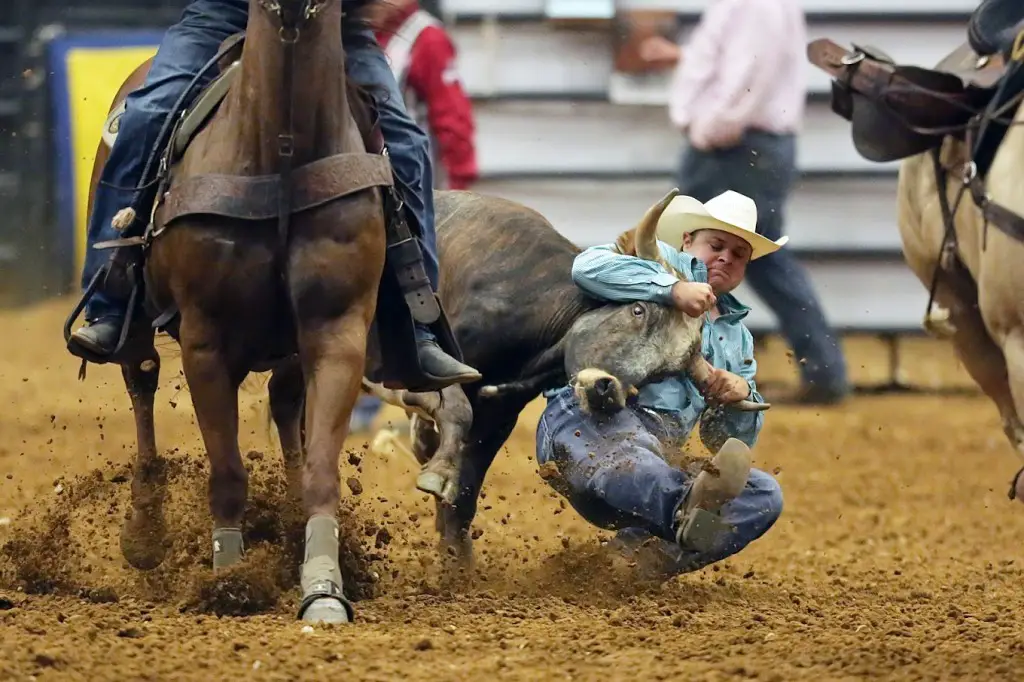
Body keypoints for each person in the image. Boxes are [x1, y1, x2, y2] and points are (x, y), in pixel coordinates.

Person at [68, 0, 481, 388]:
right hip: (225, 14)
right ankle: (110, 299)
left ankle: (418, 324)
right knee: (144, 117)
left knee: (407, 144)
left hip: (331, 24)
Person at [536, 190, 783, 578]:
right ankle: (685, 511)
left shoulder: (738, 340)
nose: (726, 258)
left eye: (739, 255)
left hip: (656, 458)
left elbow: (727, 445)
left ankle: (629, 564)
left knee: (763, 495)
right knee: (638, 456)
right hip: (592, 415)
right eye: (716, 245)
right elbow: (587, 267)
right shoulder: (655, 266)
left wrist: (737, 398)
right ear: (687, 241)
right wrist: (670, 290)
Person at [636, 0, 849, 405]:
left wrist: (709, 128)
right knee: (755, 260)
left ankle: (671, 371)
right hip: (745, 142)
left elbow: (750, 72)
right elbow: (744, 61)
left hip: (736, 144)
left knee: (684, 254)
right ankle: (823, 370)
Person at [350, 0, 479, 433]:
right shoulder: (378, 34)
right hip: (365, 169)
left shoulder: (425, 38)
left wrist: (458, 183)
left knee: (391, 269)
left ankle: (417, 343)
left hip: (401, 189)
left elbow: (451, 115)